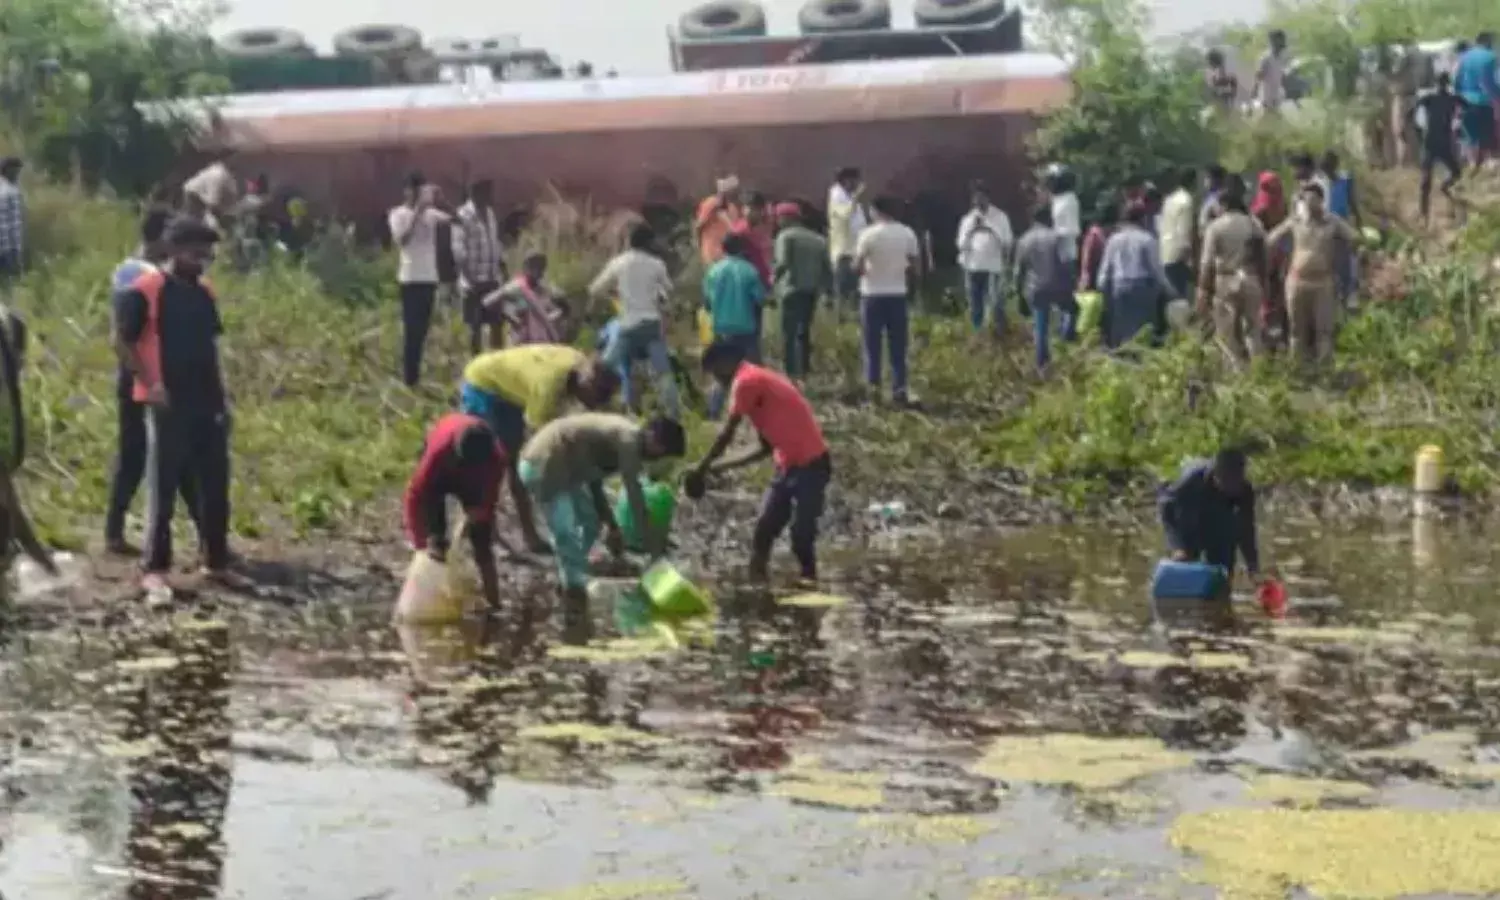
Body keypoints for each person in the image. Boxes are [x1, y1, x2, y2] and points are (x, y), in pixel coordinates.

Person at [114, 217, 233, 586]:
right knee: (163, 486)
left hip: (206, 400)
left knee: (215, 483)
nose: (203, 263)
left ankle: (215, 561)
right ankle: (155, 568)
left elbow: (211, 346)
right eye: (197, 255)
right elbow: (122, 342)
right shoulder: (146, 290)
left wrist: (224, 397)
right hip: (168, 400)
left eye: (208, 256)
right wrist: (150, 384)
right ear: (175, 251)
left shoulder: (204, 293)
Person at [517, 413, 686, 642]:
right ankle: (573, 590)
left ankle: (570, 572)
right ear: (653, 437)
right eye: (662, 453)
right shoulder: (627, 441)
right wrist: (653, 548)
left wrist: (612, 526)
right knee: (565, 530)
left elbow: (594, 483)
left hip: (569, 470)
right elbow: (635, 497)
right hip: (542, 463)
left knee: (591, 522)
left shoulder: (613, 443)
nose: (657, 460)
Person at [687, 339, 831, 583]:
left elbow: (726, 435)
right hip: (787, 467)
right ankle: (758, 587)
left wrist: (701, 469)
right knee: (763, 532)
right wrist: (713, 467)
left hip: (811, 466)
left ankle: (810, 583)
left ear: (726, 362)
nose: (718, 381)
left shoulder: (746, 381)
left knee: (801, 537)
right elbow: (764, 448)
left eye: (716, 373)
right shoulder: (757, 381)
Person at [460, 345, 620, 552]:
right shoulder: (548, 387)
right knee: (498, 461)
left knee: (515, 462)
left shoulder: (578, 366)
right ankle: (482, 528)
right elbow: (537, 445)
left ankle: (528, 535)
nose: (599, 404)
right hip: (484, 384)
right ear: (586, 383)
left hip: (514, 391)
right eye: (599, 395)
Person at [106, 208, 200, 555]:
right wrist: (149, 380)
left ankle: (115, 531)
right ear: (161, 237)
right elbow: (122, 338)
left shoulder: (133, 269)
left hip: (148, 374)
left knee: (161, 454)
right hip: (145, 375)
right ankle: (117, 532)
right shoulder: (140, 275)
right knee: (151, 455)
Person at [402, 414, 505, 612]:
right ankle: (435, 597)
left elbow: (491, 494)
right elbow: (415, 495)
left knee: (482, 544)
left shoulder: (496, 457)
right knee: (436, 543)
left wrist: (481, 512)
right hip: (440, 479)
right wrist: (419, 542)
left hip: (474, 484)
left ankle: (494, 603)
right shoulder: (439, 452)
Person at [1267, 182, 1359, 366]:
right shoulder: (1295, 222)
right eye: (1306, 199)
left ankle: (1324, 369)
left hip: (1323, 283)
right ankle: (1297, 368)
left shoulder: (1332, 222)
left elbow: (1354, 238)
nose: (1309, 203)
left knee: (1323, 331)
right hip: (1297, 282)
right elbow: (1271, 240)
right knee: (1296, 330)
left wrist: (1342, 253)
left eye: (1313, 199)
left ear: (1321, 201)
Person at [590, 223, 677, 417]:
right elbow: (668, 291)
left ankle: (594, 406)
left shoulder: (619, 263)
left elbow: (595, 289)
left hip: (629, 326)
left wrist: (615, 294)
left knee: (604, 368)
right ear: (649, 242)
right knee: (663, 373)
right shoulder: (657, 264)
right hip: (652, 326)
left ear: (630, 242)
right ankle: (674, 415)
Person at [1158, 448, 1262, 584]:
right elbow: (1167, 510)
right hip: (1190, 519)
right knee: (1186, 565)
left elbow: (1247, 528)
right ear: (1216, 474)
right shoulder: (1191, 481)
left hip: (1219, 522)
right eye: (1227, 481)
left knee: (1222, 573)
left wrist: (1252, 566)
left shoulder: (1244, 490)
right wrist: (1178, 546)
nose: (1232, 487)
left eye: (1237, 481)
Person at [854, 196, 921, 406]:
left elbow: (857, 266)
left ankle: (873, 392)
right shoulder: (907, 233)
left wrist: (867, 272)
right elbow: (915, 267)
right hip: (897, 294)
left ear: (875, 211)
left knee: (872, 346)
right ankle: (899, 390)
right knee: (898, 347)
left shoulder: (867, 234)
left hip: (872, 294)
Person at [388, 173, 450, 386]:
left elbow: (456, 220)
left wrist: (442, 200)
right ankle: (409, 377)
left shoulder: (431, 214)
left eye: (420, 190)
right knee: (412, 329)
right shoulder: (398, 214)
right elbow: (402, 240)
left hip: (429, 278)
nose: (417, 194)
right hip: (410, 279)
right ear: (406, 191)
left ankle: (415, 374)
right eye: (414, 189)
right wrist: (417, 212)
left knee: (423, 330)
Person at [1198, 177, 1267, 367]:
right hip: (1251, 279)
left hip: (1226, 281)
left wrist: (1203, 290)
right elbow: (1263, 255)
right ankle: (1259, 371)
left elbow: (1207, 263)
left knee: (1227, 332)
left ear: (1224, 205)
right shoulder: (1254, 224)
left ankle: (1233, 373)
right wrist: (1264, 282)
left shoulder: (1216, 227)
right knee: (1253, 331)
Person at [703, 232, 766, 415]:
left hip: (721, 328)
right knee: (755, 372)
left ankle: (713, 411)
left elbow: (707, 303)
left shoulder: (713, 271)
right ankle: (758, 409)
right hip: (746, 328)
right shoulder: (749, 271)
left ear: (723, 249)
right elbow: (760, 299)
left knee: (722, 373)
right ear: (741, 249)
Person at [1098, 202, 1175, 350]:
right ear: (1142, 219)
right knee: (1143, 328)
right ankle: (1140, 356)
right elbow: (1156, 270)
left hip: (1119, 287)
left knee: (1121, 327)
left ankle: (1122, 355)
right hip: (1142, 287)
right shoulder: (1147, 239)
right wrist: (1169, 289)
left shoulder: (1114, 240)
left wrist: (1103, 289)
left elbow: (1105, 269)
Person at [772, 202, 831, 379]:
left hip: (791, 289)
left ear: (786, 218)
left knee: (789, 333)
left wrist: (771, 281)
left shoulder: (786, 236)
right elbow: (827, 269)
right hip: (811, 290)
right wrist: (828, 293)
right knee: (803, 331)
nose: (778, 221)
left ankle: (790, 371)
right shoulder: (818, 239)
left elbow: (782, 262)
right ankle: (804, 369)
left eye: (779, 218)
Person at [1013, 204, 1076, 370]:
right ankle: (1065, 344)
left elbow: (1018, 271)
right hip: (1058, 285)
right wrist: (1071, 284)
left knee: (1040, 326)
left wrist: (1019, 294)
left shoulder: (1024, 240)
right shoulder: (1057, 238)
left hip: (1035, 288)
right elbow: (1067, 264)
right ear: (1049, 219)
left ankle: (1042, 364)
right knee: (1072, 311)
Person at [453, 179, 507, 354]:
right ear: (475, 193)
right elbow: (458, 251)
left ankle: (498, 362)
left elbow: (494, 242)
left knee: (497, 324)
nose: (490, 196)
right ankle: (475, 362)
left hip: (492, 279)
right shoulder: (462, 215)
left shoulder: (489, 213)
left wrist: (502, 268)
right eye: (486, 192)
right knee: (474, 327)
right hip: (473, 282)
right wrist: (470, 280)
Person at [956, 181, 1014, 335]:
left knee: (996, 303)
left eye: (981, 197)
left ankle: (998, 334)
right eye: (975, 198)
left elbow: (1007, 242)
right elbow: (960, 245)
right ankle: (978, 334)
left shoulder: (1000, 217)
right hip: (972, 267)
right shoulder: (968, 219)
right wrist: (972, 229)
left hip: (993, 267)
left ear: (987, 197)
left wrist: (989, 227)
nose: (977, 201)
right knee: (975, 304)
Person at [1410, 72, 1468, 223]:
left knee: (1453, 173)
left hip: (1436, 142)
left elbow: (1411, 111)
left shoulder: (1436, 98)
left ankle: (1435, 198)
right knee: (1428, 180)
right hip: (1435, 142)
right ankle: (1424, 212)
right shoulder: (1439, 98)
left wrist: (1417, 130)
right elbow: (1467, 107)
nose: (1442, 86)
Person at [487, 252, 565, 346]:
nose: (539, 270)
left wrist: (553, 316)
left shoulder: (546, 290)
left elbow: (558, 310)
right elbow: (489, 302)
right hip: (521, 343)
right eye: (535, 266)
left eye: (541, 267)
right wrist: (510, 316)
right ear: (526, 267)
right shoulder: (516, 287)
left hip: (543, 343)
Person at [1251, 170, 1290, 345]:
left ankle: (1268, 331)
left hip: (1266, 254)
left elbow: (1255, 230)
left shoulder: (1261, 204)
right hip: (1280, 252)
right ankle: (1278, 330)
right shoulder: (1282, 203)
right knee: (1276, 292)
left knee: (1265, 293)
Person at [1320, 151, 1362, 306]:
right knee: (1330, 261)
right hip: (1326, 226)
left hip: (1342, 224)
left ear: (1335, 166)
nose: (1328, 172)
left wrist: (1358, 222)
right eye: (1326, 169)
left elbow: (1352, 201)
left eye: (1330, 168)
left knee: (1345, 259)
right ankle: (1334, 296)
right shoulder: (1321, 183)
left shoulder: (1345, 179)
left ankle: (1347, 294)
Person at [827, 166, 870, 316]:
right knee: (843, 289)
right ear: (846, 181)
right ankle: (841, 318)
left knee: (855, 291)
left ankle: (853, 316)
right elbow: (845, 214)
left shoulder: (851, 199)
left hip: (855, 251)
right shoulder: (836, 195)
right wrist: (856, 197)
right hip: (844, 252)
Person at [1454, 33, 1498, 165]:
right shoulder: (1492, 57)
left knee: (1470, 135)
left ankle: (1472, 163)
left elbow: (1456, 79)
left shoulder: (1464, 57)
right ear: (1488, 41)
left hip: (1466, 100)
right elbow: (1494, 81)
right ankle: (1488, 162)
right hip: (1485, 100)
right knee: (1486, 133)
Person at [1158, 168, 1197, 300]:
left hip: (1165, 253)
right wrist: (1189, 258)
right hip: (1179, 256)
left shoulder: (1169, 199)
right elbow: (1185, 231)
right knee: (1181, 298)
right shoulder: (1186, 200)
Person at [695, 175, 743, 267]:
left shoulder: (732, 208)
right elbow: (699, 225)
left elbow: (735, 230)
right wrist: (698, 243)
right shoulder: (710, 204)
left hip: (727, 254)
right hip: (712, 252)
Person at [731, 192, 774, 292]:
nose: (749, 211)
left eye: (753, 208)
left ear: (761, 210)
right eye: (746, 207)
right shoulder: (739, 229)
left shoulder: (766, 227)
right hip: (746, 278)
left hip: (764, 276)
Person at [1046, 165, 1081, 262]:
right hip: (1056, 252)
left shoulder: (1068, 200)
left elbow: (1067, 231)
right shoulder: (1057, 199)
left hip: (1065, 255)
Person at [0, 157, 24, 294]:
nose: (18, 174)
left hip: (8, 247)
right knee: (10, 287)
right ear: (8, 170)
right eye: (17, 170)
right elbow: (6, 225)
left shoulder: (8, 188)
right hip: (7, 248)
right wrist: (13, 252)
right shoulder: (7, 192)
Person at [1253, 29, 1290, 114]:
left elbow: (1281, 77)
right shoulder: (1266, 58)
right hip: (1266, 97)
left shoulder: (1281, 58)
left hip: (1277, 96)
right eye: (1281, 39)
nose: (1283, 42)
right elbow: (1259, 75)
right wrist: (1255, 91)